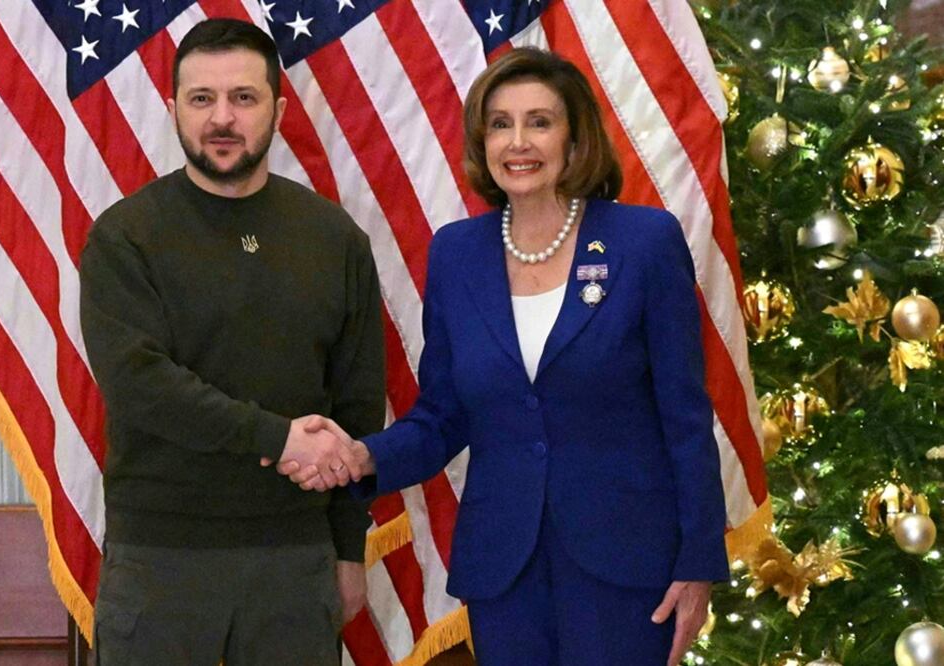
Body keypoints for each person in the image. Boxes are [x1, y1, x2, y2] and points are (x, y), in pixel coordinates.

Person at [281, 47, 729, 665]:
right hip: (504, 570)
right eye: (501, 123)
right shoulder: (457, 254)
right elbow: (443, 414)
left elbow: (685, 415)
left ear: (574, 139)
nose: (519, 141)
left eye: (539, 122)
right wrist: (360, 457)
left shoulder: (644, 242)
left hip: (627, 568)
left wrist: (699, 563)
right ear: (483, 142)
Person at [78, 18, 385, 665]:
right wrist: (279, 439)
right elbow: (141, 385)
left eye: (243, 98)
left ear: (275, 107)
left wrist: (349, 550)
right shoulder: (125, 237)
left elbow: (357, 408)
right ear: (173, 110)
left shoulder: (335, 240)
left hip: (293, 562)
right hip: (160, 561)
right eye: (202, 99)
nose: (223, 117)